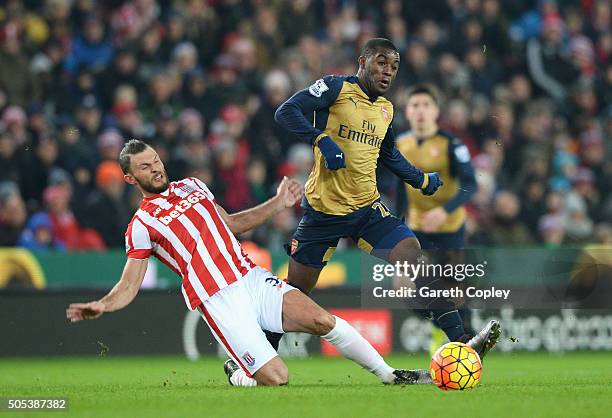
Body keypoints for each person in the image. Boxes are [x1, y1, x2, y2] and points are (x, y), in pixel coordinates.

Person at [66, 139, 432, 387]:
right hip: (218, 298)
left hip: (250, 277)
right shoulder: (141, 225)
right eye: (145, 167)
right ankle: (240, 375)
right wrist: (102, 304)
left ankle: (390, 375)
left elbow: (231, 224)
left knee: (323, 319)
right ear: (131, 178)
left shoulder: (193, 186)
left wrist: (276, 204)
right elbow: (130, 283)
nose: (156, 169)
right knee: (278, 377)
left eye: (156, 161)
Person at [272, 38, 500, 356]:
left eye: (393, 66)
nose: (387, 71)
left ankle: (462, 341)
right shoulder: (335, 88)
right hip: (324, 212)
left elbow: (389, 155)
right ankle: (256, 356)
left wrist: (420, 179)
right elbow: (286, 112)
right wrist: (321, 138)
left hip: (367, 209)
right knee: (297, 291)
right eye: (381, 62)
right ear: (362, 61)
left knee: (413, 258)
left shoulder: (386, 109)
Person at [395, 84, 477, 354]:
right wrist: (398, 222)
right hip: (417, 229)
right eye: (415, 105)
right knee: (406, 289)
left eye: (426, 105)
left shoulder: (450, 143)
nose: (420, 111)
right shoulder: (400, 144)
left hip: (450, 229)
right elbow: (399, 189)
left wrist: (445, 210)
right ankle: (446, 327)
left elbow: (470, 185)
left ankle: (466, 342)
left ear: (436, 111)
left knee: (453, 292)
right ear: (407, 112)